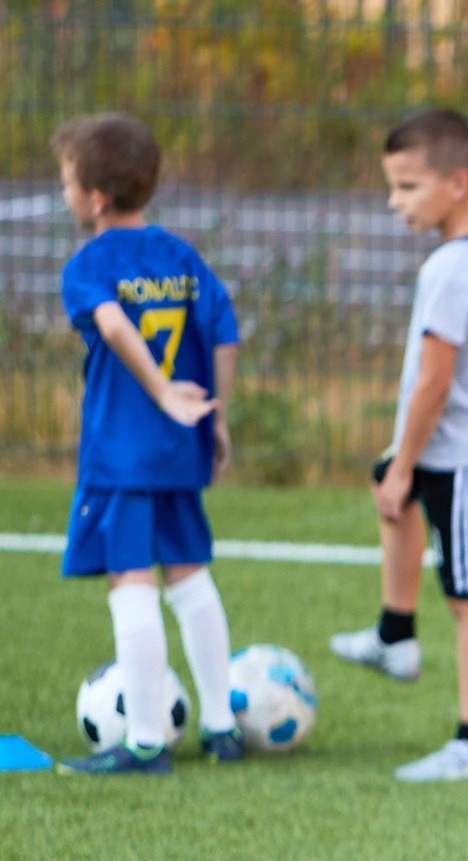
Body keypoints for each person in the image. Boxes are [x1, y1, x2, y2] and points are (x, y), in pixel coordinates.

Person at [329, 109, 468, 783]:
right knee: (388, 483)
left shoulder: (449, 271)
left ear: (458, 182)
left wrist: (407, 462)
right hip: (467, 438)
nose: (396, 202)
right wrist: (400, 465)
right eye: (392, 187)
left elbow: (434, 384)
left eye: (409, 187)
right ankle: (395, 634)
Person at [51, 113, 245, 776]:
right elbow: (226, 330)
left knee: (129, 579)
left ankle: (142, 741)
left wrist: (162, 392)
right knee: (188, 574)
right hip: (179, 449)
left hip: (123, 454)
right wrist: (215, 416)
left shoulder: (88, 266)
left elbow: (111, 327)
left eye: (68, 182)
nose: (65, 194)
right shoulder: (181, 258)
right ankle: (222, 728)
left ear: (96, 197)